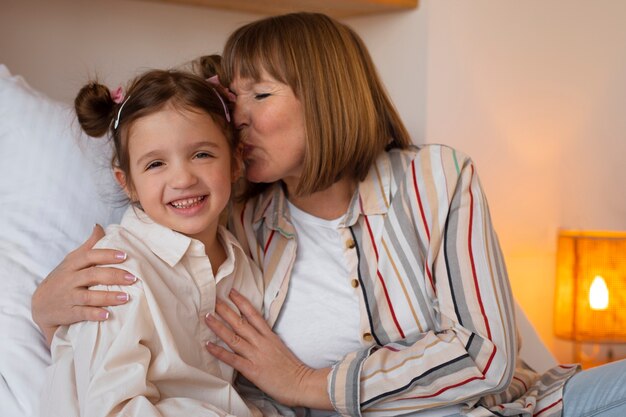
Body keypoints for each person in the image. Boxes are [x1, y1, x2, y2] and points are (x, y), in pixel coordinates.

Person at [32, 12, 626, 417]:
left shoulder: (434, 179)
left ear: (324, 99)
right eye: (234, 102)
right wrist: (45, 306)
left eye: (259, 97)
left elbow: (487, 357)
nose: (238, 119)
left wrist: (308, 384)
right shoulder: (241, 223)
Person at [38, 63, 265, 417]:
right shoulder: (117, 271)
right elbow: (112, 408)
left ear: (235, 162)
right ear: (126, 182)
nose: (182, 179)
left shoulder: (243, 265)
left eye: (201, 154)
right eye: (156, 164)